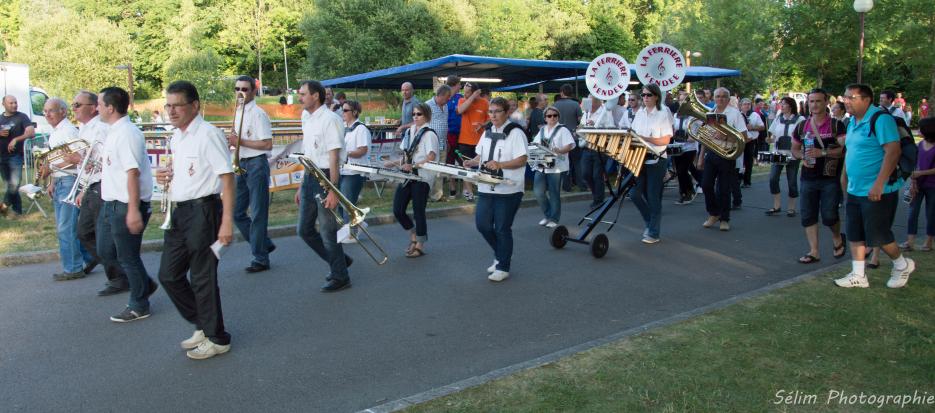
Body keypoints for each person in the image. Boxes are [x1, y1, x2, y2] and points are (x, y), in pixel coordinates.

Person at [155, 80, 235, 360]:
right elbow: (186, 172)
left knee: (202, 278)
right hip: (180, 212)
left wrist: (227, 222)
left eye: (177, 105)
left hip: (204, 211)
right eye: (168, 105)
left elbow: (227, 178)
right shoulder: (177, 136)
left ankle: (218, 337)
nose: (171, 111)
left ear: (194, 106)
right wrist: (164, 176)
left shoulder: (208, 134)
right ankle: (202, 322)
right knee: (168, 274)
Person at [835, 83, 916, 289]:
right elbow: (852, 152)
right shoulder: (852, 121)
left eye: (851, 97)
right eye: (845, 97)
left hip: (878, 190)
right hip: (855, 188)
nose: (846, 101)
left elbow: (893, 152)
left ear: (866, 99)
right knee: (854, 232)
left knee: (879, 235)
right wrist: (844, 177)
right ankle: (858, 275)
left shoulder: (881, 119)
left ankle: (901, 264)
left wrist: (879, 184)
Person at [95, 87, 157, 322]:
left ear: (110, 108)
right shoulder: (112, 131)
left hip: (126, 204)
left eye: (99, 104)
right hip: (110, 202)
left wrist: (133, 209)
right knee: (105, 251)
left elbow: (132, 173)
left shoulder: (128, 133)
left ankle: (139, 304)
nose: (96, 108)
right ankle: (145, 283)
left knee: (128, 256)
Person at [71, 91, 130, 296]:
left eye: (77, 104)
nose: (74, 108)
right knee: (85, 233)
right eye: (73, 105)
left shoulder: (100, 128)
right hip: (91, 185)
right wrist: (82, 188)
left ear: (93, 107)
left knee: (100, 236)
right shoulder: (84, 129)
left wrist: (79, 159)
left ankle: (121, 277)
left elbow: (104, 159)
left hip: (102, 185)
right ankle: (119, 274)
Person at [296, 80, 352, 292]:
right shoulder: (306, 117)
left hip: (327, 176)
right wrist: (302, 184)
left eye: (303, 94)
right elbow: (308, 154)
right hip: (310, 176)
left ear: (315, 96)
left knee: (328, 231)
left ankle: (340, 276)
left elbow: (334, 156)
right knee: (304, 230)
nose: (300, 97)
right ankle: (340, 261)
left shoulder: (330, 119)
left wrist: (333, 189)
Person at [464, 97, 528, 282]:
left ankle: (503, 265)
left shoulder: (516, 133)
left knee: (501, 228)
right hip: (486, 185)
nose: (492, 115)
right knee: (482, 224)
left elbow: (522, 159)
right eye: (490, 111)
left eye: (497, 111)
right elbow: (481, 154)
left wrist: (500, 164)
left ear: (507, 112)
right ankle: (502, 253)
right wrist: (473, 161)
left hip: (509, 189)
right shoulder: (487, 131)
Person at [790, 88, 847, 264]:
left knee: (829, 215)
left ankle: (837, 237)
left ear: (826, 103)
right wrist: (803, 158)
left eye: (818, 101)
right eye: (811, 101)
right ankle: (814, 251)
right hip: (808, 176)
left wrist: (821, 153)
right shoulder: (802, 126)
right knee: (808, 215)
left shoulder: (837, 125)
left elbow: (843, 150)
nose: (814, 105)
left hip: (829, 177)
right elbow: (795, 149)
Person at [229, 76, 276, 273]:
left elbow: (267, 144)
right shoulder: (237, 111)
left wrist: (240, 142)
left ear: (253, 91)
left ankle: (260, 257)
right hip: (242, 163)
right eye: (237, 89)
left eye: (245, 89)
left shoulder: (258, 114)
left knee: (257, 212)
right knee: (237, 212)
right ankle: (262, 243)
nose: (241, 92)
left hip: (256, 163)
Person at [43, 98, 93, 281]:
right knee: (65, 226)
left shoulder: (69, 130)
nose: (47, 114)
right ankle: (89, 258)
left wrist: (53, 169)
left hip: (69, 181)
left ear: (63, 112)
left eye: (51, 110)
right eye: (45, 111)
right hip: (60, 182)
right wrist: (52, 182)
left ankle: (73, 268)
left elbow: (78, 158)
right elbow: (56, 159)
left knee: (66, 227)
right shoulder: (55, 132)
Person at [385, 102, 437, 258]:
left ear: (426, 116)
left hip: (423, 176)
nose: (415, 117)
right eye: (413, 114)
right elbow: (404, 154)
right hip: (408, 175)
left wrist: (413, 165)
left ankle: (420, 244)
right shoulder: (409, 132)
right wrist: (394, 162)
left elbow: (431, 157)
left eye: (419, 114)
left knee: (418, 210)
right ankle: (413, 235)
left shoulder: (429, 134)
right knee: (398, 209)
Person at [629, 84, 673, 244]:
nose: (645, 98)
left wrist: (645, 139)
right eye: (643, 95)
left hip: (657, 159)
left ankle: (653, 232)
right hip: (640, 158)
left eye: (648, 95)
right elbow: (633, 134)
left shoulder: (663, 112)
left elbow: (666, 140)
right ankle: (650, 223)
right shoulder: (640, 113)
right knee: (634, 194)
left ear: (656, 96)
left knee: (653, 197)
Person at [700, 87, 748, 231]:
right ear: (714, 98)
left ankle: (724, 219)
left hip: (727, 154)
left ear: (727, 99)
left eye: (723, 97)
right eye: (717, 96)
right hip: (711, 153)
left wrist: (727, 136)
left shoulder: (735, 114)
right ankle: (714, 213)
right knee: (706, 185)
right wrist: (701, 157)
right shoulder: (710, 113)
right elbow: (705, 137)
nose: (720, 99)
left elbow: (744, 137)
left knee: (723, 189)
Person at [532, 106, 575, 227]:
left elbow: (570, 145)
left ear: (558, 117)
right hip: (541, 164)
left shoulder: (563, 130)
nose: (552, 118)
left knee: (554, 192)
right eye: (549, 116)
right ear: (545, 118)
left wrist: (559, 150)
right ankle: (548, 215)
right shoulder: (542, 130)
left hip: (557, 166)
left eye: (555, 115)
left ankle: (554, 219)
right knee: (538, 192)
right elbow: (535, 143)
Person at [338, 99, 371, 243]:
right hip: (344, 170)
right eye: (342, 110)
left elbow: (363, 150)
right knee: (342, 202)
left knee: (348, 203)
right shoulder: (344, 127)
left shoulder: (361, 128)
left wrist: (345, 153)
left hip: (355, 171)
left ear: (355, 112)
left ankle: (353, 233)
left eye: (345, 110)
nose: (342, 113)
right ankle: (356, 225)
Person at [765, 97, 804, 217]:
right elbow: (773, 136)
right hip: (779, 153)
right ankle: (776, 205)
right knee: (773, 178)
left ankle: (791, 207)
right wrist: (770, 139)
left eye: (784, 104)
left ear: (791, 106)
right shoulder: (778, 118)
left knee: (792, 181)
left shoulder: (800, 119)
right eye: (781, 104)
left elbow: (803, 136)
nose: (781, 106)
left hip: (792, 154)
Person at [900, 117, 935, 252]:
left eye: (921, 128)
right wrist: (914, 180)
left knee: (931, 213)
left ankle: (928, 241)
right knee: (912, 212)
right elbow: (916, 164)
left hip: (932, 185)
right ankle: (910, 241)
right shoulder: (919, 145)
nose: (919, 130)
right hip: (918, 184)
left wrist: (921, 173)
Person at [1, 95, 35, 216]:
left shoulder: (22, 117)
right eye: (11, 103)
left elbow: (31, 133)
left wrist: (16, 139)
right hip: (1, 157)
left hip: (15, 156)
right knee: (9, 185)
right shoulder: (0, 119)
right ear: (3, 104)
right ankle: (18, 211)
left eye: (15, 102)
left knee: (15, 183)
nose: (14, 105)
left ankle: (3, 206)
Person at [456, 82, 489, 201]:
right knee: (466, 167)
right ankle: (469, 193)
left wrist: (483, 124)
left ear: (475, 91)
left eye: (468, 92)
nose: (465, 94)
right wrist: (471, 97)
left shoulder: (484, 103)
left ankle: (481, 190)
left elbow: (489, 119)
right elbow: (460, 110)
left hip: (480, 142)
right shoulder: (462, 100)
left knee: (481, 167)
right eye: (464, 92)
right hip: (464, 140)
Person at [672, 94, 702, 205]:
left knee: (682, 170)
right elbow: (674, 129)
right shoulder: (676, 115)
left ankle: (687, 193)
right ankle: (685, 192)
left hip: (690, 147)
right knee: (679, 172)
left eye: (685, 100)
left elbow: (699, 131)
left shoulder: (693, 116)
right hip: (677, 146)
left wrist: (691, 137)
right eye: (681, 100)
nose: (682, 103)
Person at [553, 84, 582, 191]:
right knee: (577, 163)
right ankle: (581, 185)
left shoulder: (555, 105)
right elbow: (581, 121)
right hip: (574, 138)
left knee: (564, 163)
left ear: (561, 92)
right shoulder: (576, 104)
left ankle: (566, 186)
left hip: (560, 139)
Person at [425, 85, 450, 201]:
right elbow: (421, 124)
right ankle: (426, 193)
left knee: (441, 169)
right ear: (440, 95)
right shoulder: (427, 105)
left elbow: (444, 124)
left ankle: (437, 195)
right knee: (430, 169)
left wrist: (446, 141)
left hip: (443, 142)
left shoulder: (446, 106)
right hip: (431, 143)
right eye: (447, 97)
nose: (448, 99)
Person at [445, 76, 463, 200]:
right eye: (459, 84)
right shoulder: (444, 98)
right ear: (455, 85)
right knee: (450, 161)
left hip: (462, 134)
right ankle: (452, 189)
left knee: (463, 160)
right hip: (450, 133)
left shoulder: (461, 98)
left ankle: (467, 189)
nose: (460, 86)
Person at [740, 98, 765, 187]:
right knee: (739, 161)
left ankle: (747, 181)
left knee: (748, 161)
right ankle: (739, 179)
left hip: (751, 140)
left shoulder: (754, 115)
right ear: (741, 105)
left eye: (748, 104)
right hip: (740, 140)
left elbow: (762, 127)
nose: (747, 106)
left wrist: (752, 127)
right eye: (745, 104)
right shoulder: (738, 115)